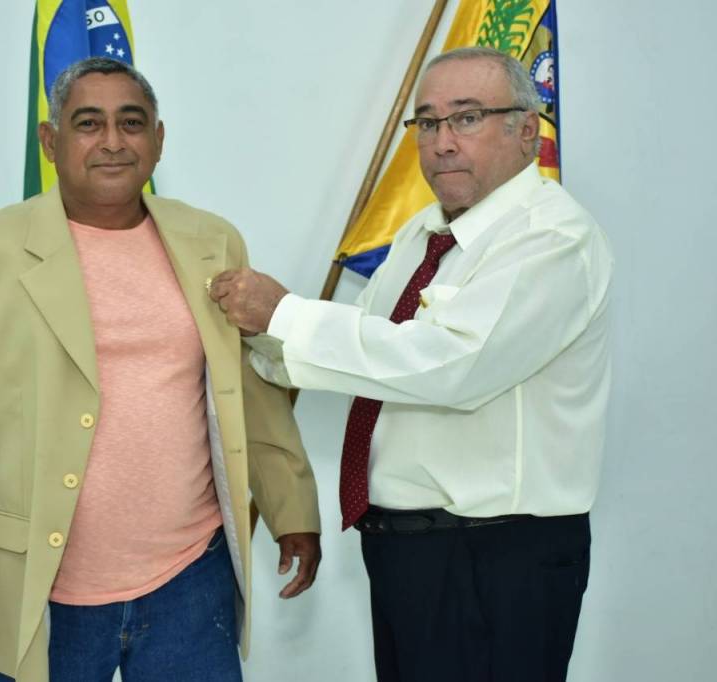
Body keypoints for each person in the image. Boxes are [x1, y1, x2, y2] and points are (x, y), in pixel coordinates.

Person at [0, 57, 321, 682]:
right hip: (39, 591)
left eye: (132, 122)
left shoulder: (212, 241)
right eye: (89, 123)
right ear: (51, 141)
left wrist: (292, 510)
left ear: (158, 139)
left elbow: (248, 390)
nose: (113, 141)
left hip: (191, 577)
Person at [209, 46, 612, 682]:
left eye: (467, 117)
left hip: (497, 556)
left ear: (526, 131)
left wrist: (284, 314)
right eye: (427, 122)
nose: (442, 142)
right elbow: (365, 357)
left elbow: (452, 366)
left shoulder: (553, 238)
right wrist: (253, 335)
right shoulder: (425, 232)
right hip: (408, 552)